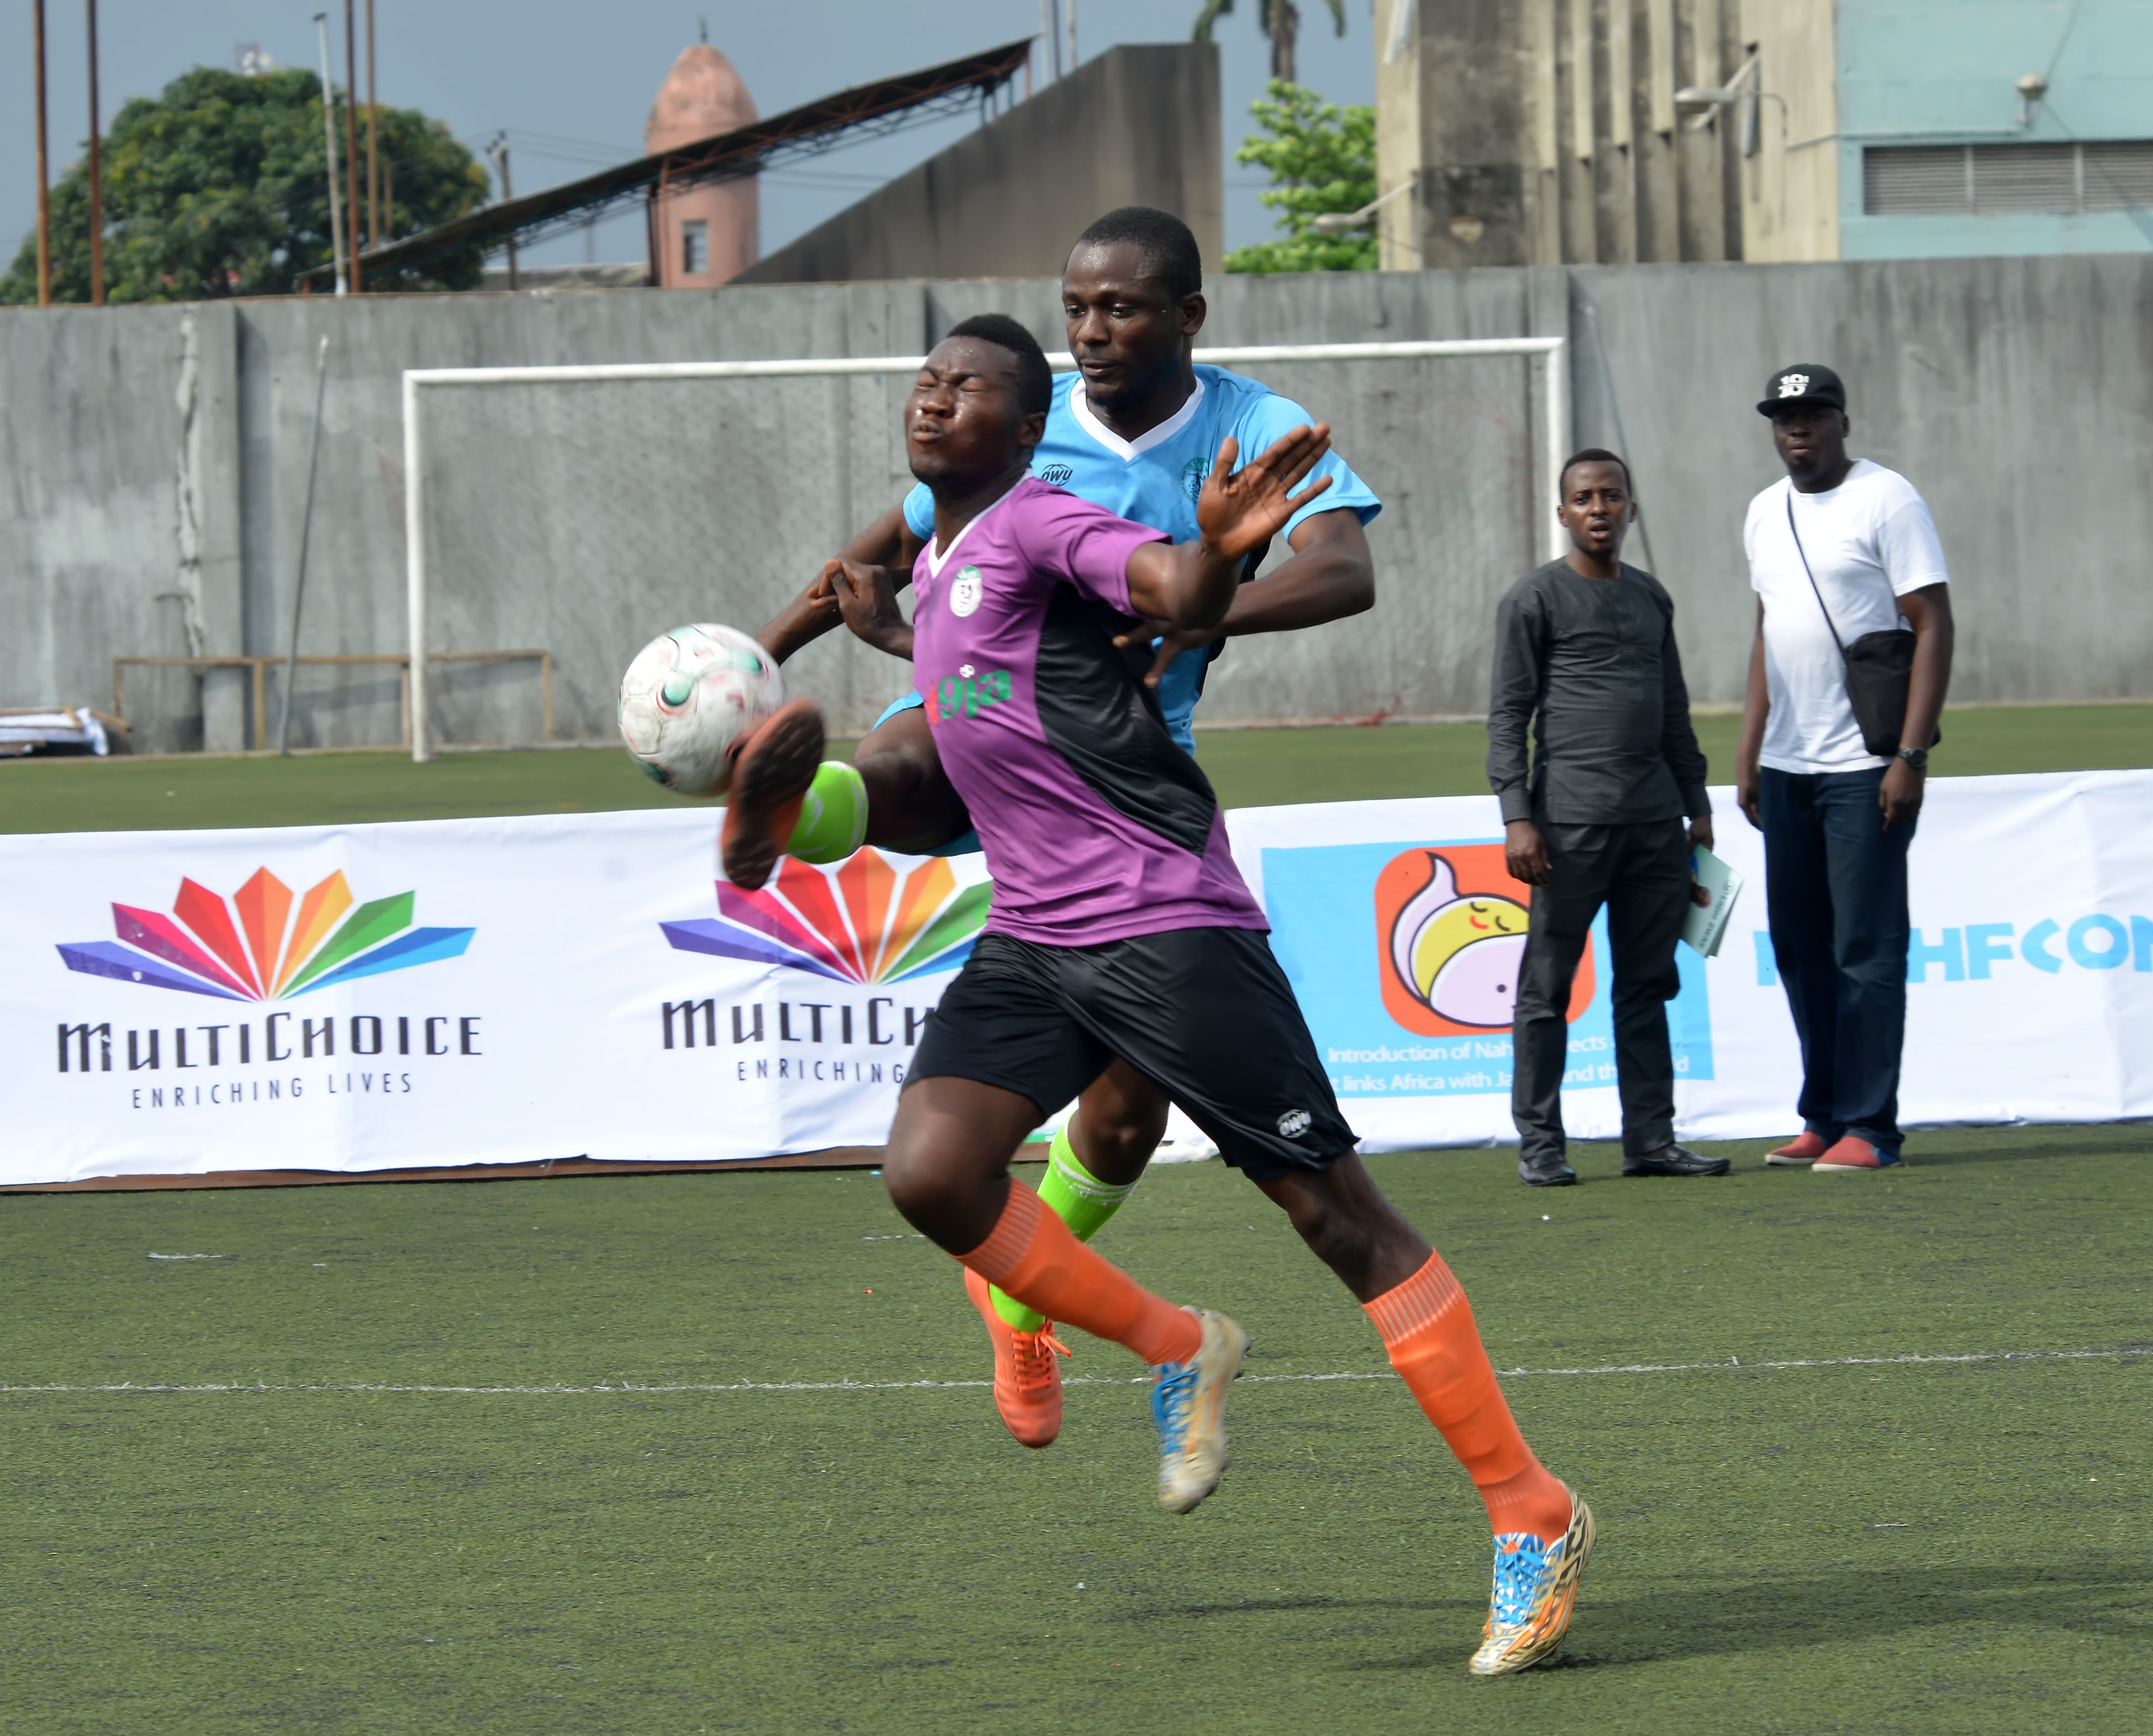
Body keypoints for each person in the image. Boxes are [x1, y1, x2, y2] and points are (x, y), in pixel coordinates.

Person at [727, 314, 1594, 1676]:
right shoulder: (944, 566)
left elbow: (1171, 589)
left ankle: (1528, 1507)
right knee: (934, 1175)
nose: (935, 396)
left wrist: (1213, 548)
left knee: (1337, 1217)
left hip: (1163, 923)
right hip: (1035, 936)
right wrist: (809, 705)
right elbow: (950, 781)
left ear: (1028, 430)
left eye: (969, 387)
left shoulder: (1036, 520)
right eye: (927, 379)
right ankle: (1178, 1345)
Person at [738, 207, 1381, 1450]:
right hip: (970, 716)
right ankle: (790, 804)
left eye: (1119, 308)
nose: (1089, 330)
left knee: (1129, 1116)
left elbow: (1343, 571)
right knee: (906, 757)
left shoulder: (1249, 424)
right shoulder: (1020, 430)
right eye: (1076, 308)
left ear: (1185, 316)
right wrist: (749, 669)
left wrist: (1198, 611)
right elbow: (877, 555)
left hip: (1123, 774)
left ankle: (1018, 1293)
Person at [1736, 365, 1953, 1173]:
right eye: (1784, 417)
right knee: (1801, 948)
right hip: (1788, 765)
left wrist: (1910, 755)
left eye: (1814, 414)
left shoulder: (1887, 499)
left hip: (1866, 764)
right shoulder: (1764, 511)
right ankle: (1823, 1116)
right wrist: (1750, 747)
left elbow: (1934, 624)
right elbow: (1766, 629)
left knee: (1866, 948)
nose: (1798, 428)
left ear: (1843, 423)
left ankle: (1871, 1126)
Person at [1489, 449, 1724, 1187]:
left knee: (1648, 985)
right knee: (1547, 991)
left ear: (1631, 508)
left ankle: (1651, 1140)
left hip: (1655, 826)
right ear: (1563, 512)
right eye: (1585, 497)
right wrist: (1517, 816)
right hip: (1568, 826)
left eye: (1612, 496)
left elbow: (1675, 710)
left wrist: (1697, 806)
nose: (1600, 508)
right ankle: (1541, 1145)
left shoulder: (1653, 597)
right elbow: (1508, 715)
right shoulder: (1534, 599)